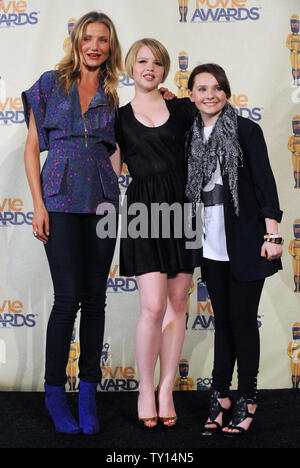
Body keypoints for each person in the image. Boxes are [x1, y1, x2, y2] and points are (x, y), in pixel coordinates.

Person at [22, 11, 123, 435]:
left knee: (96, 300)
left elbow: (117, 148)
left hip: (102, 200)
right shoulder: (50, 83)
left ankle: (88, 393)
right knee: (67, 300)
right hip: (59, 196)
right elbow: (32, 149)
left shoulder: (114, 93)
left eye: (103, 40)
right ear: (77, 40)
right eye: (89, 38)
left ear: (110, 46)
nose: (95, 46)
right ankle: (53, 392)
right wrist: (38, 204)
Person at [185, 63, 283, 436]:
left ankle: (249, 396)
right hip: (210, 246)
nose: (210, 94)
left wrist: (272, 235)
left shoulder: (245, 130)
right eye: (202, 88)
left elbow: (264, 183)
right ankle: (221, 395)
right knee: (222, 324)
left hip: (246, 242)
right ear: (191, 95)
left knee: (243, 323)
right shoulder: (189, 135)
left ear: (227, 92)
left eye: (217, 87)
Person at [115, 38, 200, 431]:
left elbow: (220, 119)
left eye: (158, 63)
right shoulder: (117, 117)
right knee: (152, 305)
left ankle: (167, 388)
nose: (150, 67)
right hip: (142, 211)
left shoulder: (182, 109)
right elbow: (111, 172)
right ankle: (144, 388)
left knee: (177, 303)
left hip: (181, 208)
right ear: (130, 66)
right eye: (143, 61)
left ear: (166, 70)